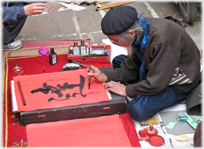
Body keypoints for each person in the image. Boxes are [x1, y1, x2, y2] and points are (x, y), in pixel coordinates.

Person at [87, 5, 201, 121]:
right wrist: (105, 76)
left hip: (177, 83)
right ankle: (139, 87)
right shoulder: (141, 30)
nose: (114, 43)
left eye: (115, 41)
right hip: (156, 68)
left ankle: (142, 89)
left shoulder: (162, 42)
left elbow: (156, 83)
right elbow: (135, 63)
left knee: (137, 110)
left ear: (131, 33)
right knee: (118, 61)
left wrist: (127, 90)